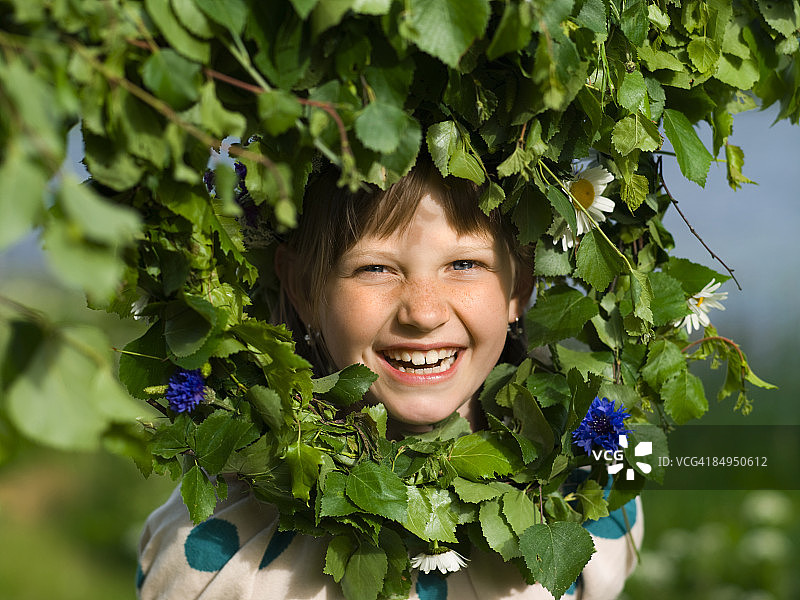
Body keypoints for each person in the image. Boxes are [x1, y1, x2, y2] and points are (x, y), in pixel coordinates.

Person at [136, 156, 643, 599]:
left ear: (522, 282)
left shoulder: (584, 506)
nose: (423, 313)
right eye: (375, 269)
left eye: (465, 263)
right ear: (302, 288)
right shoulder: (219, 554)